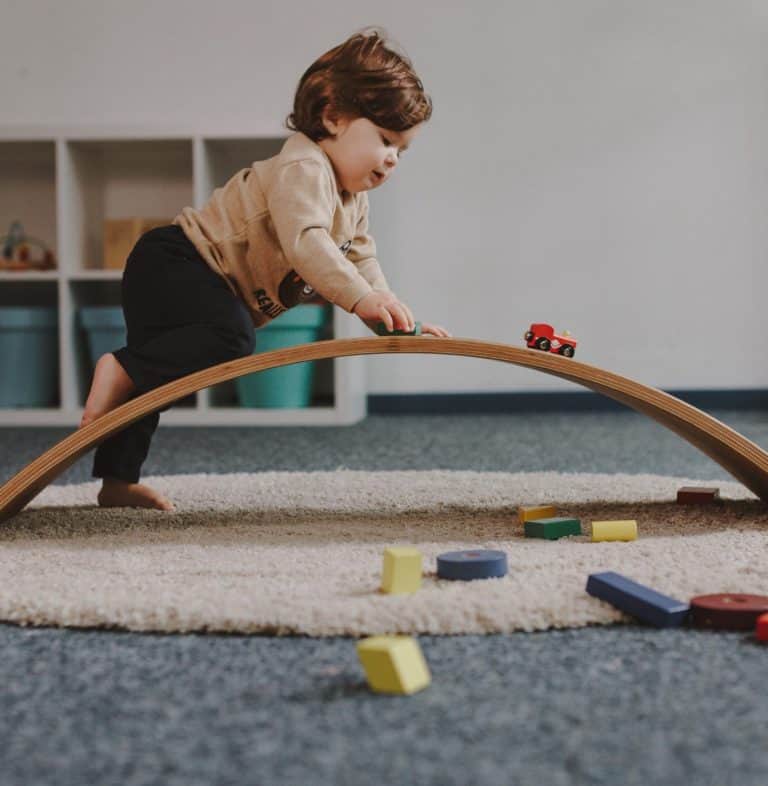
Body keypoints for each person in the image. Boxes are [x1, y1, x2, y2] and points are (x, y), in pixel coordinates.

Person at [79, 27, 451, 512]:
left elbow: (360, 255)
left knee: (159, 378)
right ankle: (119, 367)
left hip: (190, 275)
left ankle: (117, 482)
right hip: (180, 262)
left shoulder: (351, 198)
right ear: (333, 117)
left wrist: (393, 316)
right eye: (384, 139)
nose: (392, 159)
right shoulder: (305, 167)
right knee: (227, 340)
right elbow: (308, 244)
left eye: (402, 150)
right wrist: (362, 299)